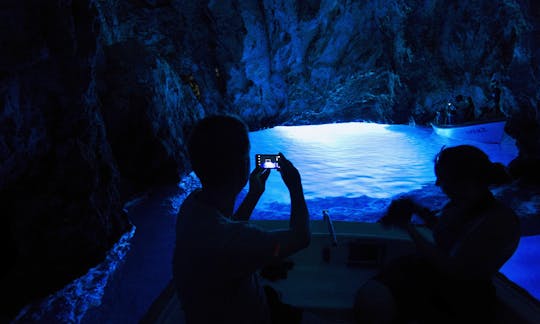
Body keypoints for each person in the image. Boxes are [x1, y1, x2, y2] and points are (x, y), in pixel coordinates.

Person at [354, 145, 520, 324]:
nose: (437, 184)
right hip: (438, 280)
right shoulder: (461, 205)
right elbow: (451, 236)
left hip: (462, 297)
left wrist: (408, 228)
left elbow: (455, 270)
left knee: (375, 298)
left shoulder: (499, 221)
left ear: (463, 181)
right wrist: (418, 210)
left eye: (442, 179)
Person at [172, 114, 310, 324]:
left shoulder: (192, 206)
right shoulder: (235, 241)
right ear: (243, 168)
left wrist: (254, 194)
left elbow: (226, 224)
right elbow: (301, 237)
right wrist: (295, 184)